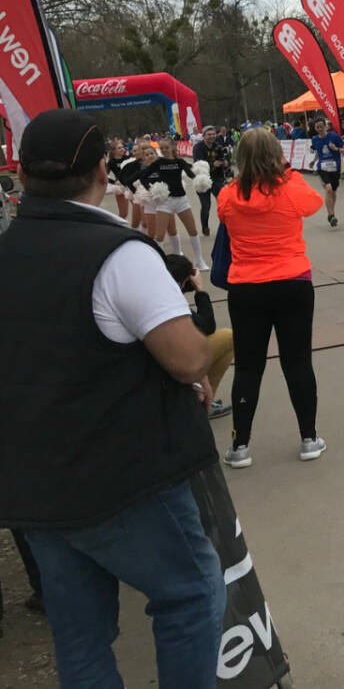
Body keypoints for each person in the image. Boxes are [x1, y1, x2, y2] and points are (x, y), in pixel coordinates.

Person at [0, 108, 225, 685]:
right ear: (103, 171)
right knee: (191, 595)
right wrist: (218, 331)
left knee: (80, 636)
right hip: (122, 476)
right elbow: (186, 357)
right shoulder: (119, 253)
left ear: (22, 176)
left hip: (33, 480)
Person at [216, 128, 327, 469]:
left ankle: (241, 445)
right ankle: (309, 437)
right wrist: (287, 172)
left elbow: (224, 219)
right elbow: (315, 203)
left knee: (249, 366)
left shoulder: (227, 195)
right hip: (292, 281)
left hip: (246, 286)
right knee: (298, 361)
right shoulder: (291, 188)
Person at [164, 253, 235, 420]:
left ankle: (197, 397)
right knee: (228, 337)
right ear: (181, 282)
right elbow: (208, 326)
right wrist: (200, 291)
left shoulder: (155, 293)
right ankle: (202, 403)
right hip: (173, 363)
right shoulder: (172, 298)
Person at [150, 137, 205, 269]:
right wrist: (150, 188)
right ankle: (159, 263)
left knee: (193, 230)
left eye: (166, 148)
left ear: (172, 147)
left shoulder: (180, 162)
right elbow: (143, 175)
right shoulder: (158, 163)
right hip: (165, 202)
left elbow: (191, 174)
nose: (164, 150)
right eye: (161, 148)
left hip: (181, 200)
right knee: (160, 235)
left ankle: (199, 260)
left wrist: (201, 180)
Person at [190, 125, 231, 237]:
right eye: (209, 134)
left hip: (217, 178)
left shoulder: (218, 146)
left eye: (213, 134)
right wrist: (213, 165)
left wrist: (225, 163)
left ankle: (228, 225)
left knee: (225, 202)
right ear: (203, 136)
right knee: (206, 205)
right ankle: (205, 227)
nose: (212, 136)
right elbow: (198, 165)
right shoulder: (198, 147)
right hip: (203, 180)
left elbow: (226, 160)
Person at [309, 116, 344, 227]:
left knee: (333, 192)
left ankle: (331, 212)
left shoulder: (334, 136)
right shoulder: (315, 139)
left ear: (325, 126)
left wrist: (336, 149)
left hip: (335, 168)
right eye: (317, 127)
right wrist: (314, 161)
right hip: (322, 168)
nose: (319, 129)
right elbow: (318, 151)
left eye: (321, 127)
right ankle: (331, 215)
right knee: (328, 189)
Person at [105, 137, 133, 224]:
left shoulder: (128, 158)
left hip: (131, 186)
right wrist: (114, 182)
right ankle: (114, 225)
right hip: (120, 188)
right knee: (124, 214)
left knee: (139, 209)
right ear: (114, 151)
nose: (122, 149)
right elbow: (105, 176)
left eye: (122, 147)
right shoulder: (111, 162)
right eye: (119, 148)